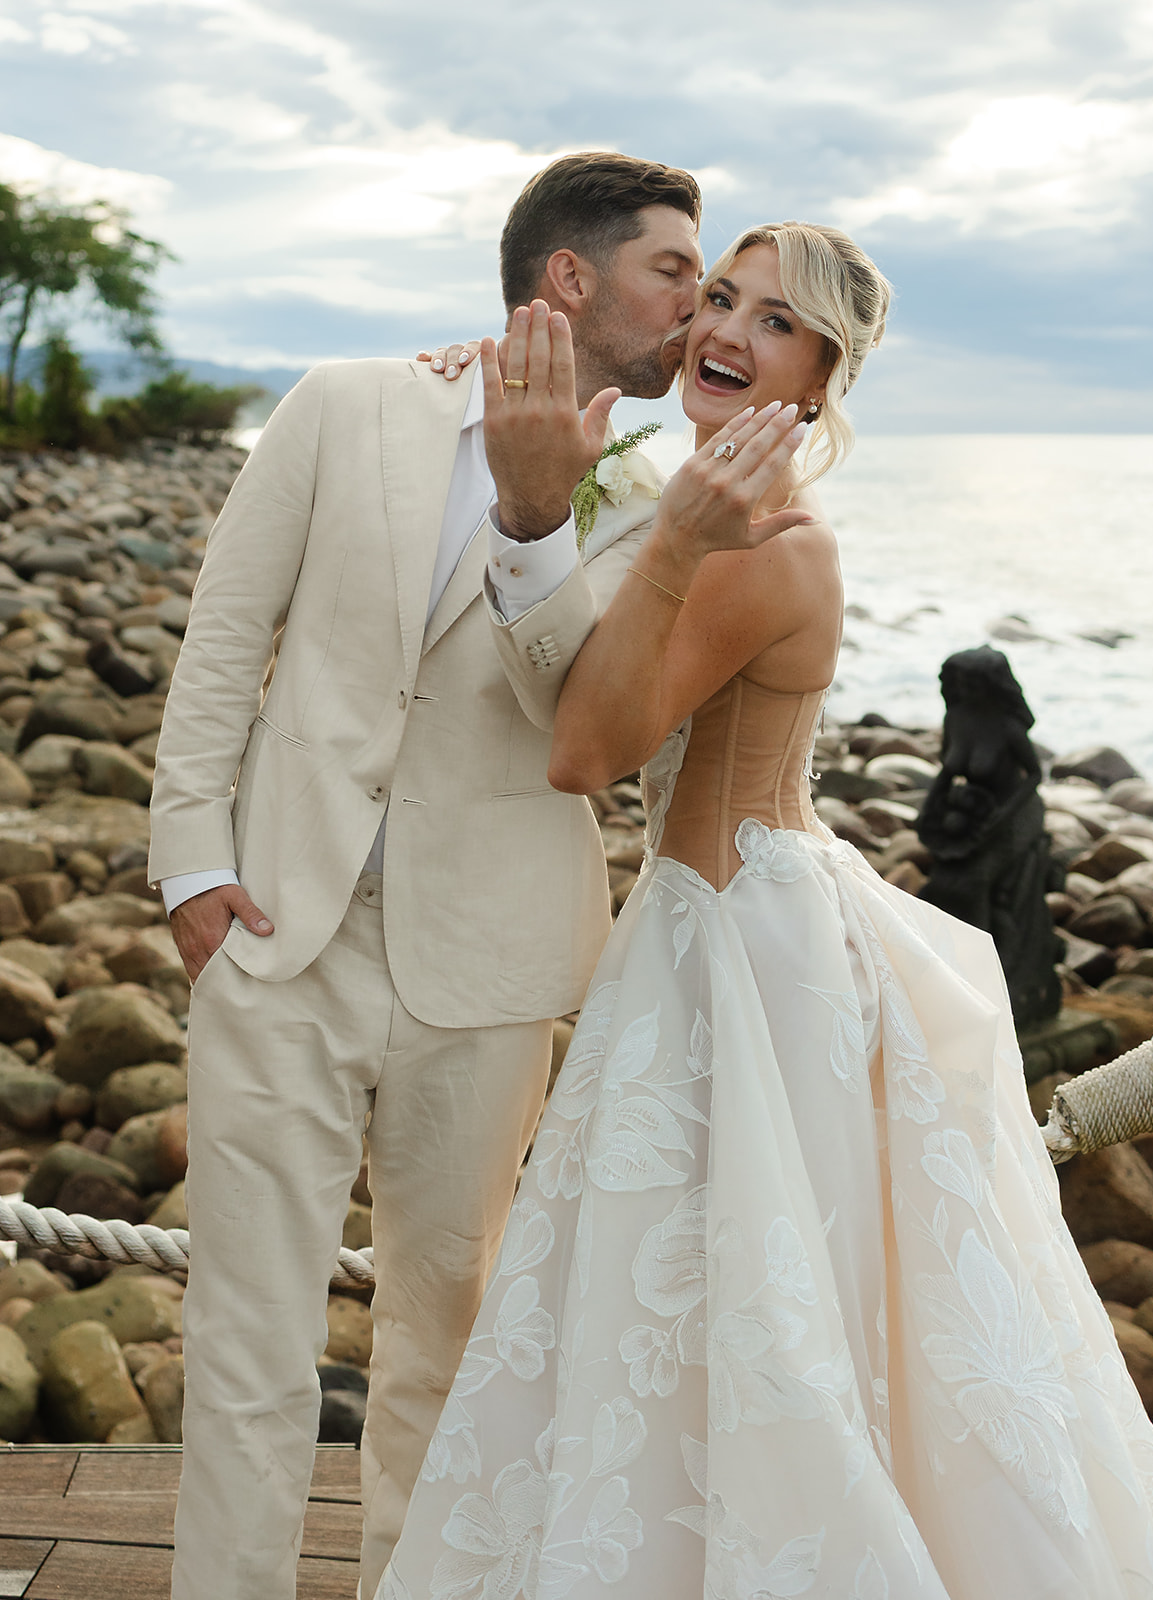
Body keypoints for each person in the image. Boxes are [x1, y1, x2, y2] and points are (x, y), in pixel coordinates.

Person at [378, 224, 1153, 1599]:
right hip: (726, 916)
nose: (728, 330)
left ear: (822, 379)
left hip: (739, 952)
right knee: (718, 1304)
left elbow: (587, 752)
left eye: (776, 322)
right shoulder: (703, 506)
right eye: (721, 298)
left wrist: (657, 541)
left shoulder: (760, 545)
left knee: (761, 1312)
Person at [147, 151, 707, 1600]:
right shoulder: (344, 406)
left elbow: (579, 727)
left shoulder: (658, 509)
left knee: (447, 1341)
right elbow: (226, 637)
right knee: (248, 1332)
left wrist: (537, 520)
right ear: (570, 277)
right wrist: (192, 864)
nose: (697, 308)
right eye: (674, 271)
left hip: (491, 964)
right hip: (277, 929)